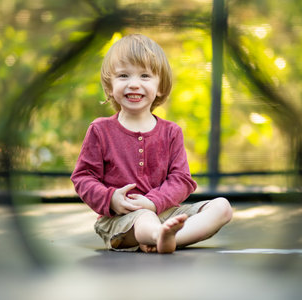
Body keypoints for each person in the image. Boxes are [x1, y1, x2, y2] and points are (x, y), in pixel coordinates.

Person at [71, 34, 232, 254]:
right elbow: (83, 177)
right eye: (123, 75)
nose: (134, 84)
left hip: (164, 212)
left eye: (145, 76)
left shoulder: (171, 132)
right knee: (145, 217)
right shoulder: (100, 130)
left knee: (222, 207)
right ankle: (159, 235)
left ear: (160, 87)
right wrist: (111, 199)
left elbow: (182, 180)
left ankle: (167, 237)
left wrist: (154, 203)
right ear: (110, 86)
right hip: (120, 220)